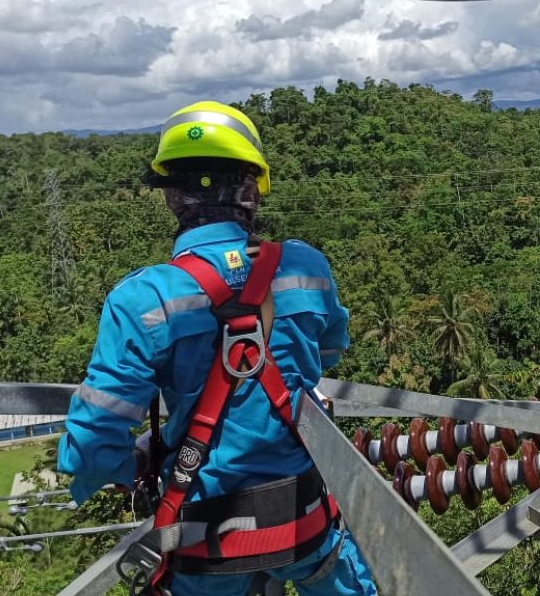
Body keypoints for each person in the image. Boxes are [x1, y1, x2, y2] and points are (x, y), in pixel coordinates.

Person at [58, 101, 377, 596]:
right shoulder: (305, 268)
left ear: (170, 198)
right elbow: (329, 351)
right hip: (303, 520)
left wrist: (134, 463)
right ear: (252, 191)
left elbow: (94, 443)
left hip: (207, 539)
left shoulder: (143, 299)